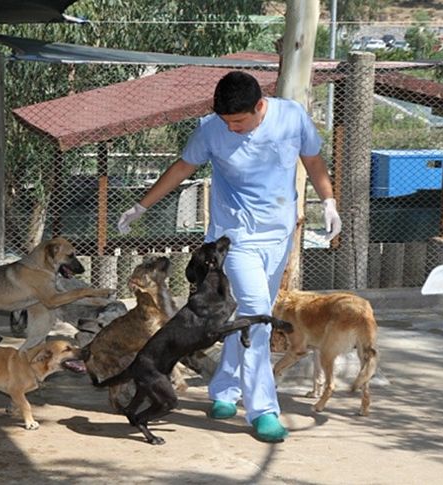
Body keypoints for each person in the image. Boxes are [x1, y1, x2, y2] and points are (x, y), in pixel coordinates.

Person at [116, 70, 341, 442]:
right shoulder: (210, 129)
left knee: (247, 316)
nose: (232, 128)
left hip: (279, 233)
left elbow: (313, 160)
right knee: (256, 316)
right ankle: (263, 409)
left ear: (260, 106)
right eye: (226, 121)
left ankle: (223, 388)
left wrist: (329, 202)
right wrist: (141, 206)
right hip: (233, 239)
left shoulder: (292, 117)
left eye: (238, 121)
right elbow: (183, 167)